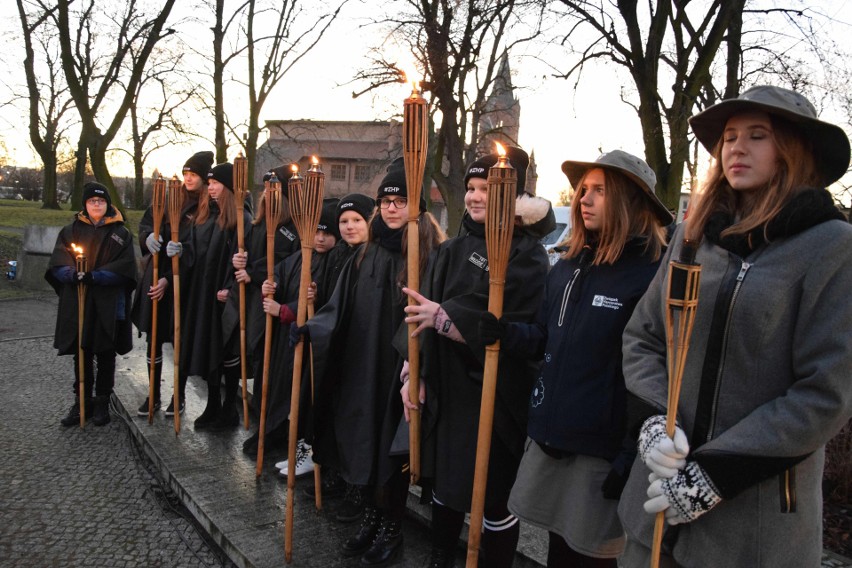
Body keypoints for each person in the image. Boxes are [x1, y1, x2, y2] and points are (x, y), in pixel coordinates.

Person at [616, 85, 852, 567]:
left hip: (754, 528)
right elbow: (643, 337)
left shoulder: (833, 247)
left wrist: (715, 474)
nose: (736, 148)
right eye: (728, 137)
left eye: (758, 136)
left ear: (794, 149)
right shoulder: (691, 237)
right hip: (654, 511)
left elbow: (826, 393)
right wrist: (653, 422)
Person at [475, 150, 671, 567]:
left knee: (591, 556)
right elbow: (546, 339)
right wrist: (505, 333)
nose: (585, 199)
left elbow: (658, 371)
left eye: (600, 191)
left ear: (631, 201)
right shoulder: (566, 266)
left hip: (601, 450)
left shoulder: (651, 274)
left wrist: (629, 453)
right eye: (585, 190)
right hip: (552, 435)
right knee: (558, 550)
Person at [401, 147, 554, 567]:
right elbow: (422, 308)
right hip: (448, 389)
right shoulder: (453, 248)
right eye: (470, 187)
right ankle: (439, 558)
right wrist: (412, 370)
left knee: (493, 497)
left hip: (493, 394)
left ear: (512, 195)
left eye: (486, 188)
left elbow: (516, 324)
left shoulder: (529, 255)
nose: (474, 196)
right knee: (447, 486)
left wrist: (448, 320)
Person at [304, 158, 445, 565]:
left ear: (415, 206)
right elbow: (341, 305)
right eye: (386, 200)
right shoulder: (366, 253)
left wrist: (412, 363)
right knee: (363, 444)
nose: (391, 207)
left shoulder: (427, 254)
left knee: (393, 453)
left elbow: (426, 312)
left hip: (400, 371)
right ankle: (370, 515)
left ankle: (392, 528)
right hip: (361, 368)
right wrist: (312, 329)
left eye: (400, 200)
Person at [46, 182, 137, 427]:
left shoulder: (121, 234)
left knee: (105, 349)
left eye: (101, 201)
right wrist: (72, 274)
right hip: (79, 300)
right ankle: (81, 401)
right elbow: (59, 261)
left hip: (107, 302)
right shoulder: (72, 230)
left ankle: (102, 402)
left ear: (108, 204)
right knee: (81, 349)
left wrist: (96, 276)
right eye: (91, 201)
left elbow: (126, 269)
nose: (96, 204)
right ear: (85, 205)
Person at [132, 150, 214, 417]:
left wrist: (172, 275)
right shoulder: (169, 199)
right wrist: (147, 239)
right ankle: (153, 394)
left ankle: (178, 397)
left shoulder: (207, 206)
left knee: (180, 339)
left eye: (194, 175)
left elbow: (200, 248)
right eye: (186, 174)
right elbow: (147, 223)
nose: (189, 179)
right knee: (154, 339)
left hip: (182, 283)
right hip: (155, 278)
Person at [233, 167, 301, 456]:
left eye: (275, 189)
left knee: (272, 364)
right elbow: (249, 251)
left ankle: (274, 429)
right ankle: (261, 424)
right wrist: (239, 261)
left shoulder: (293, 227)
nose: (268, 194)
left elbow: (285, 262)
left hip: (278, 304)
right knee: (259, 361)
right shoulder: (258, 223)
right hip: (257, 301)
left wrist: (256, 272)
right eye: (266, 188)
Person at [183, 162, 252, 429]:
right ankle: (213, 404)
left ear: (229, 186)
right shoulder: (205, 214)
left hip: (224, 297)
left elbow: (242, 257)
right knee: (208, 349)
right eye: (209, 182)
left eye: (215, 183)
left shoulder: (240, 219)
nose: (209, 187)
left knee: (226, 351)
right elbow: (195, 251)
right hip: (202, 295)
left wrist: (231, 289)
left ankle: (228, 409)